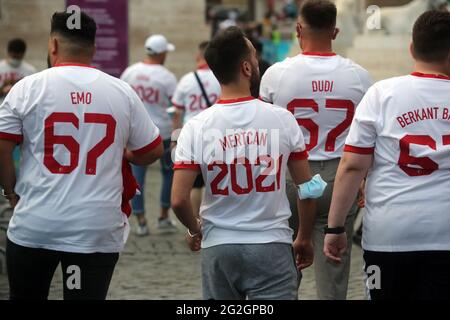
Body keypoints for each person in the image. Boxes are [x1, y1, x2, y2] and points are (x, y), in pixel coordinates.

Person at [0, 11, 163, 300]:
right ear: (94, 49)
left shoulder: (27, 88)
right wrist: (124, 153)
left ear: (53, 46)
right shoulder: (121, 91)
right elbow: (151, 150)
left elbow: (2, 144)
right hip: (95, 228)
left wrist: (11, 192)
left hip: (36, 223)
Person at [171, 27, 325, 300]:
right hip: (271, 245)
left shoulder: (195, 126)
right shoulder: (282, 119)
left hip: (219, 246)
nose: (257, 62)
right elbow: (307, 189)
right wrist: (303, 236)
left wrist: (195, 229)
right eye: (254, 57)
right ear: (245, 67)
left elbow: (179, 200)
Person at [324, 10, 450, 300]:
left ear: (411, 48)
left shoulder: (382, 94)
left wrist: (335, 226)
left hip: (389, 235)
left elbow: (353, 166)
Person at [259, 0, 373, 300]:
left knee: (282, 275)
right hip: (339, 176)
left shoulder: (275, 74)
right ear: (335, 31)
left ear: (299, 29)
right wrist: (362, 178)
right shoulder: (360, 76)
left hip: (291, 175)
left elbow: (266, 130)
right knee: (333, 272)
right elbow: (366, 137)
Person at [121, 34, 178, 235]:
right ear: (162, 53)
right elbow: (176, 106)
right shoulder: (167, 77)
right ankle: (163, 215)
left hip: (135, 133)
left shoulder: (130, 72)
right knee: (169, 173)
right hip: (162, 131)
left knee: (137, 177)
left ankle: (141, 220)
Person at [171, 41, 221, 217]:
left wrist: (175, 138)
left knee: (195, 184)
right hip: (217, 133)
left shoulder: (187, 80)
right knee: (216, 178)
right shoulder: (220, 77)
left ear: (198, 56)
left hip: (192, 134)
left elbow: (176, 112)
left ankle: (196, 221)